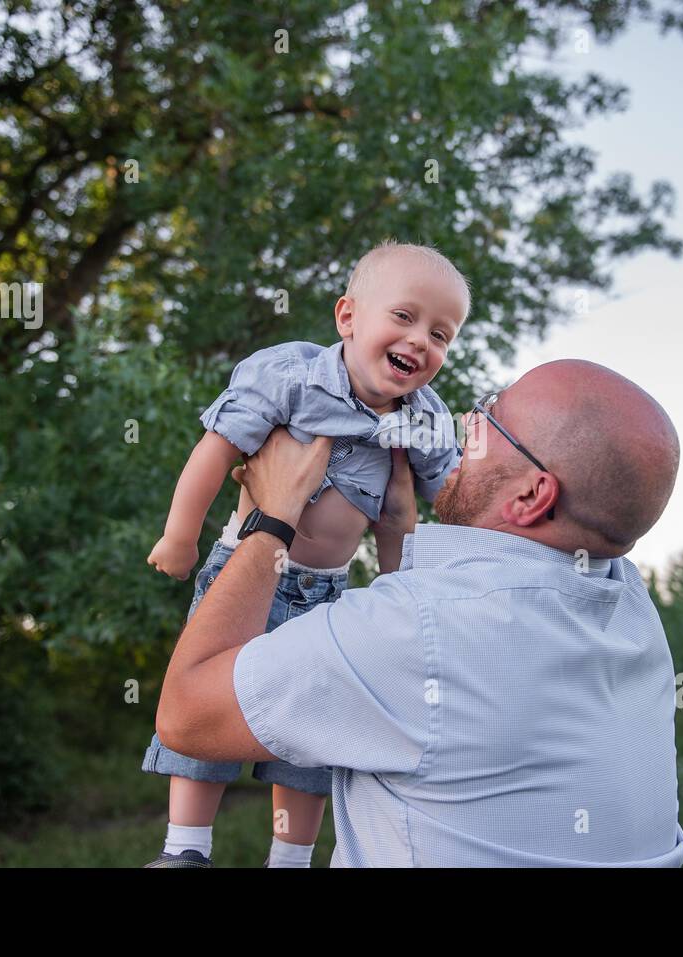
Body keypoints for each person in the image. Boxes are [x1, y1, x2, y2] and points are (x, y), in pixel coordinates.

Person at [156, 359, 683, 866]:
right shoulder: (631, 609)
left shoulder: (422, 628)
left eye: (489, 418)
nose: (464, 424)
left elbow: (187, 716)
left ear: (531, 496)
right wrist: (398, 535)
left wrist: (272, 520)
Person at [140, 242, 469, 867]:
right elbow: (215, 448)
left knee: (314, 723)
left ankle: (289, 858)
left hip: (329, 590)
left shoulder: (426, 420)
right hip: (246, 566)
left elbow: (453, 502)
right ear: (348, 318)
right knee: (209, 697)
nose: (421, 339)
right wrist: (179, 535)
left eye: (440, 333)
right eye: (403, 317)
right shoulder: (292, 375)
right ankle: (185, 849)